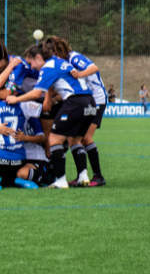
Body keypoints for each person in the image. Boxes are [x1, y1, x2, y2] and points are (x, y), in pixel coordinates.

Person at [6, 39, 96, 189]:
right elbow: (49, 102)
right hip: (90, 102)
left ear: (38, 58)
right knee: (75, 140)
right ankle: (83, 176)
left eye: (31, 63)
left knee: (54, 138)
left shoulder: (48, 67)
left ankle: (60, 181)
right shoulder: (60, 62)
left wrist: (16, 99)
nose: (31, 67)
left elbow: (35, 94)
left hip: (75, 102)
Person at [50, 36, 107, 187]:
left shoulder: (73, 57)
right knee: (73, 138)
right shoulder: (64, 62)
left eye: (54, 53)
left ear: (59, 50)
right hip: (87, 99)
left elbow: (94, 67)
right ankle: (82, 176)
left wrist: (80, 74)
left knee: (86, 138)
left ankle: (98, 176)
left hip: (97, 99)